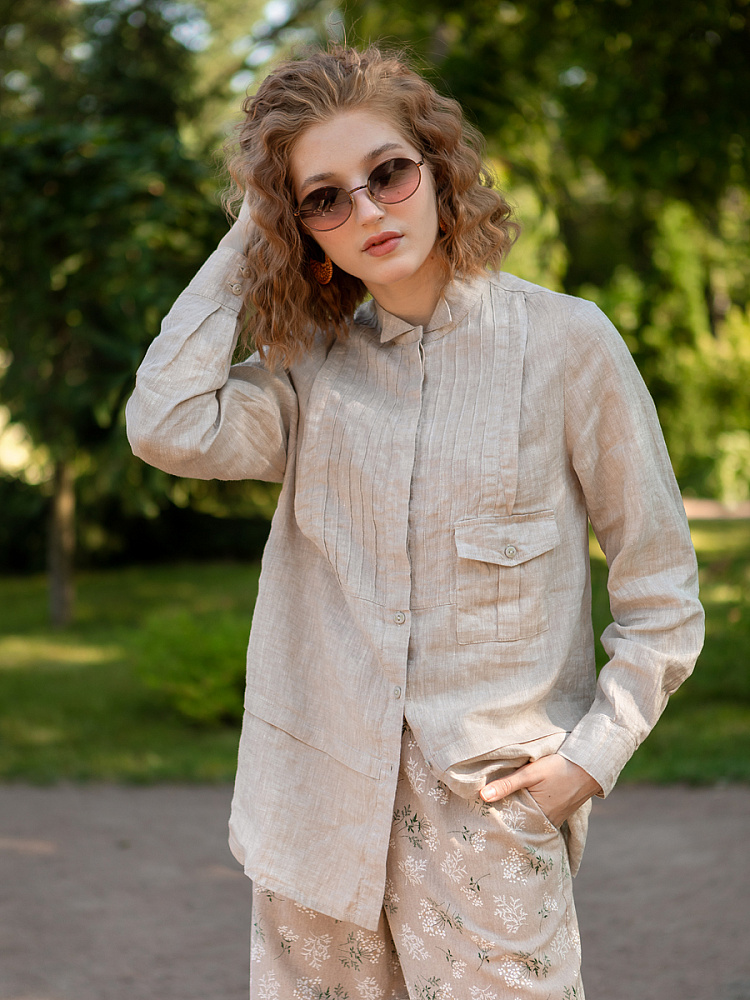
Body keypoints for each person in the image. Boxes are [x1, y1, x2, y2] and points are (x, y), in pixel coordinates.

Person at [126, 45, 704, 1000]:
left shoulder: (568, 344)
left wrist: (589, 761)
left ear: (437, 170)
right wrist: (252, 230)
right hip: (313, 816)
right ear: (301, 226)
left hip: (490, 813)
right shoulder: (307, 370)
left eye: (388, 173)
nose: (367, 211)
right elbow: (167, 423)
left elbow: (662, 592)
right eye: (324, 198)